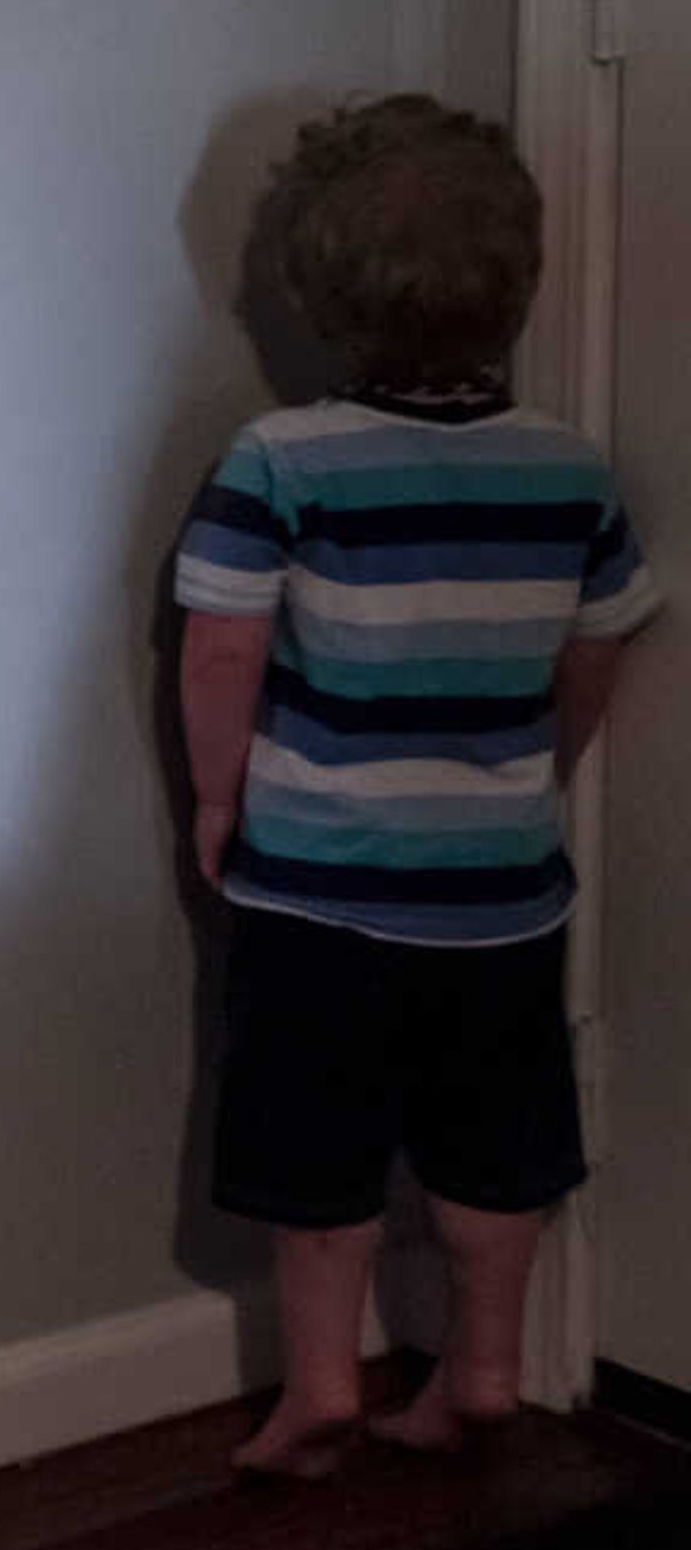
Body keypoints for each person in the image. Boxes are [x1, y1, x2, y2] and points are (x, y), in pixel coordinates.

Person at [176, 96, 660, 1477]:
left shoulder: (284, 457)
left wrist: (219, 799)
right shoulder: (570, 467)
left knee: (313, 1145)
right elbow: (596, 645)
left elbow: (222, 642)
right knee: (495, 1139)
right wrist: (536, 771)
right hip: (500, 894)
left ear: (319, 295)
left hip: (321, 888)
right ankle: (490, 1366)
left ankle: (323, 1382)